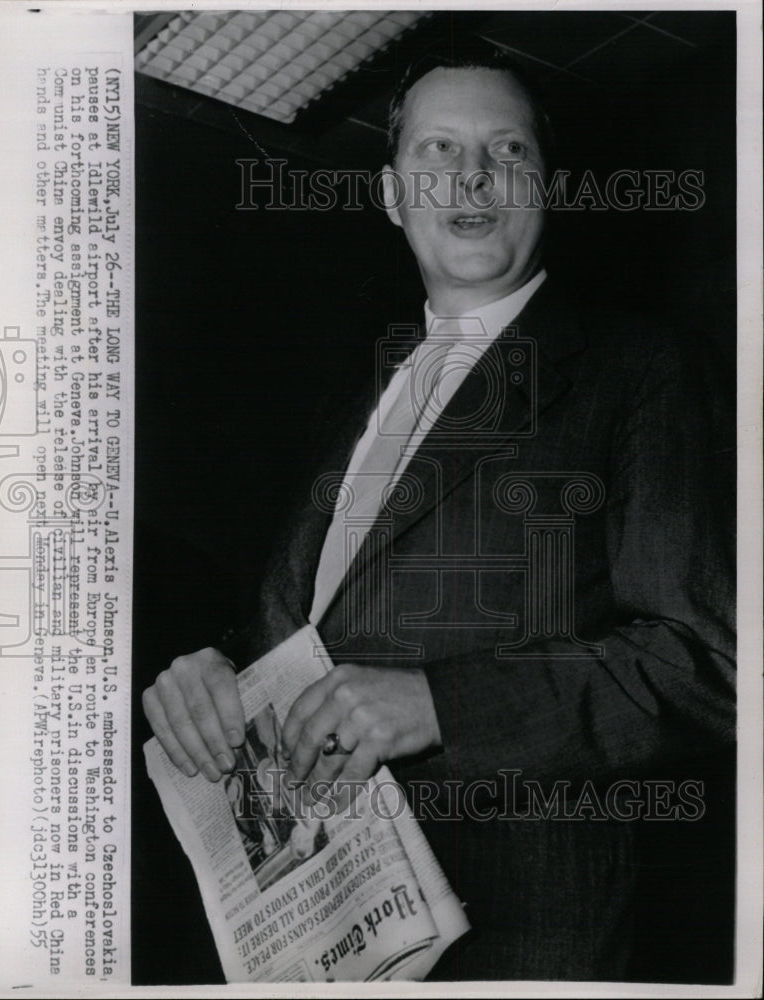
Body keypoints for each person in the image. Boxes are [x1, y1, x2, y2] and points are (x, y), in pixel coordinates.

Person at [142, 41, 735, 981]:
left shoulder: (642, 370)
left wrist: (438, 706)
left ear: (549, 188)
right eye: (438, 152)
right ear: (391, 195)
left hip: (520, 937)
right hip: (318, 932)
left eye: (508, 152)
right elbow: (303, 634)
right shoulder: (358, 402)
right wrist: (213, 673)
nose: (474, 178)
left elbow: (710, 668)